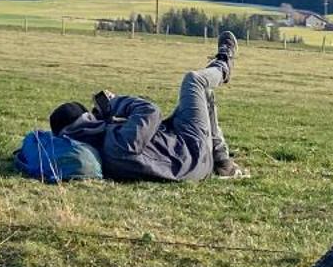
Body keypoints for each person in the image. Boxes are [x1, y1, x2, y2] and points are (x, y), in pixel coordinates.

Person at [50, 31, 249, 181]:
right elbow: (150, 110)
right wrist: (114, 103)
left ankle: (223, 162)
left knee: (204, 94)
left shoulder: (101, 145)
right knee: (194, 81)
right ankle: (224, 64)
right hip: (192, 154)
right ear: (87, 120)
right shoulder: (116, 143)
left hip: (180, 147)